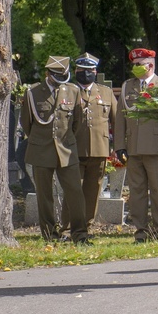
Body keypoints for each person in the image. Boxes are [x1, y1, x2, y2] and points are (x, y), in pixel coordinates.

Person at [20, 56, 89, 243]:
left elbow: (77, 122)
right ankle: (50, 235)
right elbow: (27, 123)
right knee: (44, 196)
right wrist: (42, 140)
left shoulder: (73, 91)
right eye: (56, 76)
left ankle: (80, 234)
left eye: (63, 76)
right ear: (47, 74)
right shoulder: (33, 93)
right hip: (41, 150)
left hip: (66, 150)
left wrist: (65, 141)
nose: (59, 81)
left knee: (75, 192)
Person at [115, 48, 158, 242]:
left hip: (157, 147)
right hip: (134, 148)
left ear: (150, 65)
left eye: (138, 65)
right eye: (133, 65)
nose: (135, 68)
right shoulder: (128, 86)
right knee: (137, 192)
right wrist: (119, 145)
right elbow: (121, 117)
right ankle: (141, 231)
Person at [64, 52, 117, 228]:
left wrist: (118, 147)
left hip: (99, 149)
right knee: (72, 189)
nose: (85, 73)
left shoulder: (106, 92)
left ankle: (86, 226)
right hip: (73, 149)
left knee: (93, 190)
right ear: (75, 70)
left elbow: (116, 121)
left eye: (89, 70)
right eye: (81, 69)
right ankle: (68, 225)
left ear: (95, 72)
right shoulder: (66, 91)